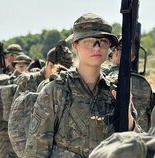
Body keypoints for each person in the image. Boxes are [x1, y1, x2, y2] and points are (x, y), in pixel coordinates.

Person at [24, 13, 140, 158]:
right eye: (89, 41)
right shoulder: (56, 91)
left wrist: (127, 113)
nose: (97, 48)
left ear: (110, 47)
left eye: (103, 41)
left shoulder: (115, 91)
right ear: (75, 46)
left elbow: (138, 146)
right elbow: (36, 151)